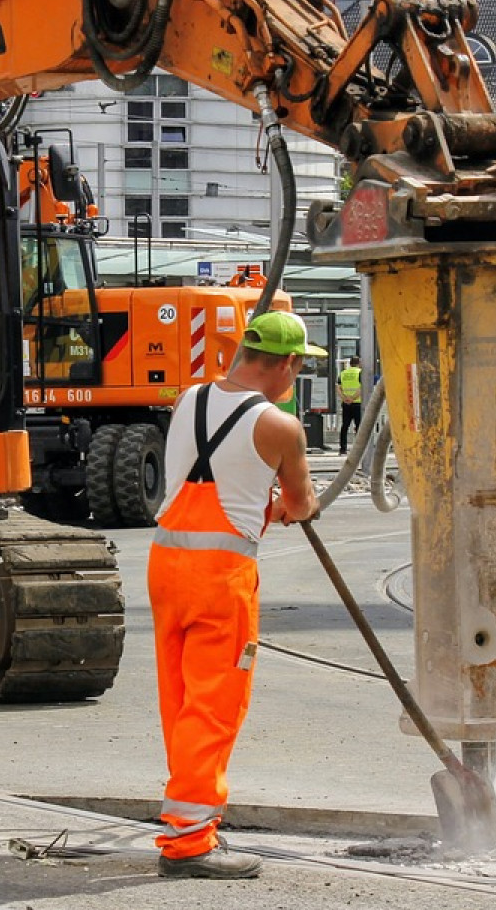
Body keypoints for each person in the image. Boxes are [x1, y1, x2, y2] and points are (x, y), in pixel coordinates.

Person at [150, 310, 320, 880]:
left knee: (178, 696)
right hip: (220, 577)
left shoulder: (186, 399)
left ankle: (184, 816)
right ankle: (191, 841)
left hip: (166, 565)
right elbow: (300, 505)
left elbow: (214, 472)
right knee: (214, 704)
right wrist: (283, 503)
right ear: (288, 364)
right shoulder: (279, 426)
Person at [337, 356, 363, 455]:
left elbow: (338, 388)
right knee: (359, 427)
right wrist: (353, 398)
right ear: (359, 363)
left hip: (346, 404)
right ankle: (358, 450)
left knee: (345, 426)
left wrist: (345, 398)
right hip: (357, 403)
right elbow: (362, 387)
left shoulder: (343, 373)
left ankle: (343, 449)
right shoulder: (360, 373)